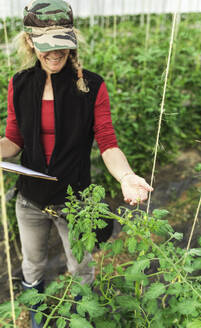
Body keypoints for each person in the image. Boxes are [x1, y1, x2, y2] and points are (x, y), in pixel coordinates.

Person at [0, 0, 153, 326]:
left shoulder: (92, 86)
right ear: (30, 41)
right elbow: (13, 141)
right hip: (30, 198)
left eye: (63, 46)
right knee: (32, 264)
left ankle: (80, 319)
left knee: (81, 267)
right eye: (47, 47)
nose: (55, 54)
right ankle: (38, 319)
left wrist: (126, 175)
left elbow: (108, 143)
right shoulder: (20, 83)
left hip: (76, 200)